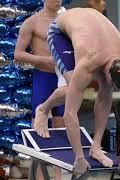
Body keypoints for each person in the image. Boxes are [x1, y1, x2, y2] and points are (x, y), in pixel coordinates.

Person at [35, 8, 120, 175]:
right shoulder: (89, 60)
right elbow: (69, 113)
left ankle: (95, 147)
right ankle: (43, 108)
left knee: (105, 88)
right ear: (107, 70)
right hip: (61, 32)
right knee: (73, 89)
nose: (113, 88)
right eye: (114, 83)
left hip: (95, 34)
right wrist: (79, 157)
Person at [14, 0, 65, 179]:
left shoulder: (67, 20)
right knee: (38, 123)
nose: (58, 0)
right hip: (43, 77)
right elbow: (18, 54)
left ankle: (59, 175)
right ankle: (38, 176)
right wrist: (42, 60)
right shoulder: (32, 22)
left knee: (62, 124)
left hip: (63, 77)